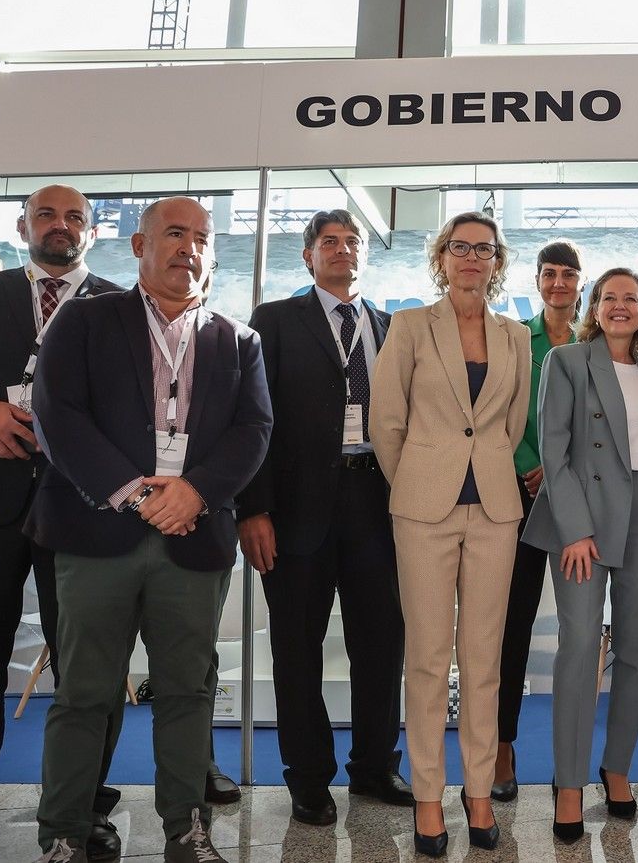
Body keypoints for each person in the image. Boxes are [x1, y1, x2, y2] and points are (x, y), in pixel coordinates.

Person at [24, 196, 272, 863]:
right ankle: (65, 834)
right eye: (173, 233)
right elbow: (59, 415)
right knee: (84, 692)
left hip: (195, 538)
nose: (188, 247)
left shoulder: (237, 338)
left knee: (188, 693)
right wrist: (138, 493)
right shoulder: (84, 321)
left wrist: (195, 490)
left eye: (201, 236)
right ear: (139, 246)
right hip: (97, 531)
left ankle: (185, 833)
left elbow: (255, 429)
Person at [236, 210, 411, 826]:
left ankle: (374, 767)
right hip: (295, 510)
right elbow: (252, 420)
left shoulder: (391, 327)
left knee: (382, 643)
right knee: (296, 647)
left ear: (365, 256)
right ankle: (308, 778)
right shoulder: (276, 322)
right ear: (308, 257)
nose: (342, 250)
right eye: (329, 242)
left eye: (352, 241)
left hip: (376, 505)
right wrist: (252, 508)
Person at [0, 186, 124, 862]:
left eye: (73, 218)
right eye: (46, 215)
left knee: (86, 668)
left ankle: (83, 807)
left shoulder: (124, 306)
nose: (59, 227)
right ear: (22, 224)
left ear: (90, 231)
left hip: (82, 510)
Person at [370, 210, 530, 858]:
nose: (471, 258)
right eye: (460, 247)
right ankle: (430, 798)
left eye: (483, 249)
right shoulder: (409, 326)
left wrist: (481, 470)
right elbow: (387, 422)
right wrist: (416, 482)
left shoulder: (514, 335)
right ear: (441, 257)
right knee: (429, 659)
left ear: (496, 261)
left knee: (484, 661)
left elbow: (512, 426)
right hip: (422, 510)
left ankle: (481, 793)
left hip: (495, 510)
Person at [522, 268, 638, 841]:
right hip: (582, 520)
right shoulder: (566, 362)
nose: (619, 306)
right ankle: (568, 783)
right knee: (581, 645)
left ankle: (617, 769)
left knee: (635, 648)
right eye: (609, 297)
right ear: (593, 306)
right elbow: (555, 453)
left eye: (630, 298)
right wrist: (576, 530)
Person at [492, 239, 583, 802]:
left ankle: (568, 763)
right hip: (519, 497)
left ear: (580, 283)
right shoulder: (511, 338)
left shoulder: (594, 341)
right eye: (549, 274)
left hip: (576, 500)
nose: (558, 284)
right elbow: (497, 410)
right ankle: (502, 752)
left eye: (567, 275)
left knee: (578, 631)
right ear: (538, 280)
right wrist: (533, 466)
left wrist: (559, 471)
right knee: (511, 630)